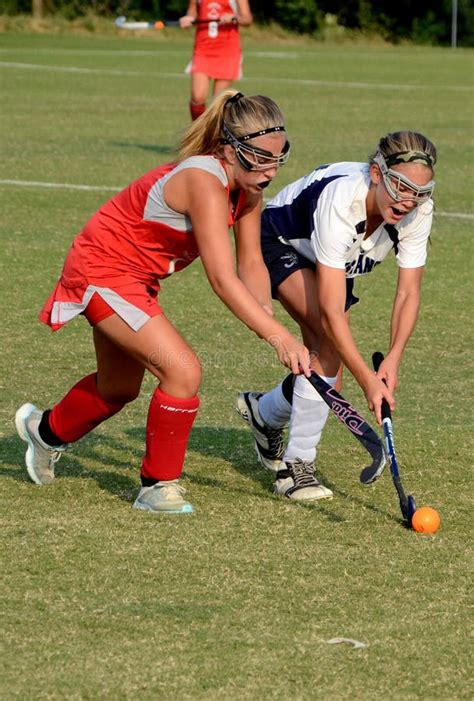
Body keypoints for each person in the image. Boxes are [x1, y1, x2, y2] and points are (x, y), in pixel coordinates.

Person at [15, 90, 311, 514]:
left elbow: (250, 263)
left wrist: (267, 317)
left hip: (135, 280)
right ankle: (157, 487)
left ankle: (42, 431)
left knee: (116, 389)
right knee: (183, 372)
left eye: (278, 158)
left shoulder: (247, 189)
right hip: (102, 272)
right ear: (229, 149)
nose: (269, 171)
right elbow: (223, 279)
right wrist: (280, 339)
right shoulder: (204, 182)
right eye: (259, 158)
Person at [236, 131, 437, 502]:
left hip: (333, 263)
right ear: (377, 173)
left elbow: (409, 291)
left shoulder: (418, 210)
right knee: (330, 348)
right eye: (401, 187)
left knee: (330, 370)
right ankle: (295, 469)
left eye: (420, 192)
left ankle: (264, 412)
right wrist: (368, 380)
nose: (409, 201)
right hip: (281, 241)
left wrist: (393, 357)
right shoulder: (343, 200)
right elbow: (330, 312)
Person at [179, 1, 252, 121]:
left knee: (218, 103)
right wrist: (188, 18)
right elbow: (192, 12)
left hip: (228, 51)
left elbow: (247, 19)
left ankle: (215, 136)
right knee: (197, 98)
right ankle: (200, 134)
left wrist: (234, 18)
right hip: (203, 49)